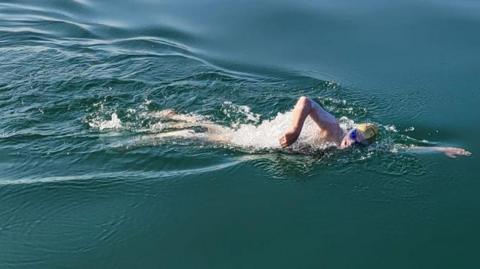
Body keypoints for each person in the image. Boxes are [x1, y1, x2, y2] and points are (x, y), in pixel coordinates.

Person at [279, 96, 471, 158]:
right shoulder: (333, 129)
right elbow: (305, 101)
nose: (349, 145)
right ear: (351, 132)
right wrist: (294, 131)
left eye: (356, 144)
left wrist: (441, 149)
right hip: (288, 139)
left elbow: (402, 148)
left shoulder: (365, 146)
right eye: (351, 139)